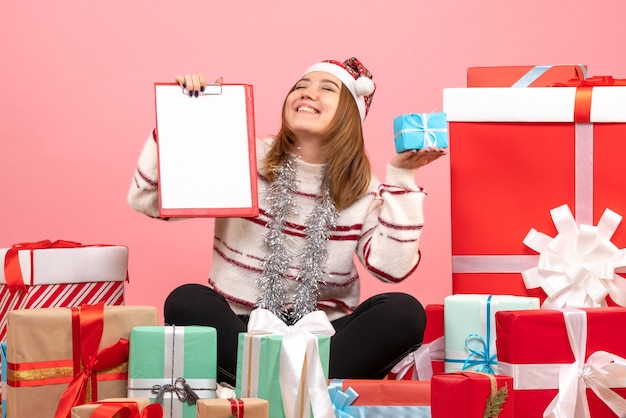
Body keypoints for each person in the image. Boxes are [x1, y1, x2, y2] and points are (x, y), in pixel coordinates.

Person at [127, 57, 446, 386]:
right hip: (243, 329)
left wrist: (402, 177)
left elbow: (390, 269)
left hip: (324, 335)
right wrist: (182, 115)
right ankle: (301, 388)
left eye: (326, 88)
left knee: (403, 312)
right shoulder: (244, 157)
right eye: (300, 86)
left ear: (351, 114)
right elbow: (146, 199)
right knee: (187, 300)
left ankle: (267, 385)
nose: (308, 94)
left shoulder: (363, 188)